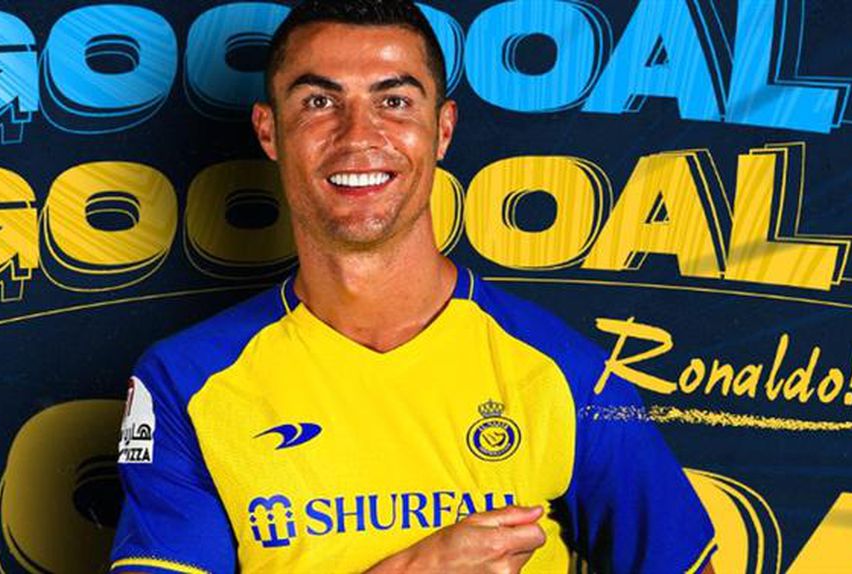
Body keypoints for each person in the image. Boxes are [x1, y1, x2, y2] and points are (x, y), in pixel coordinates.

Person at [110, 1, 716, 572]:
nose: (358, 135)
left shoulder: (566, 372)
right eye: (319, 101)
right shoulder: (186, 381)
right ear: (269, 131)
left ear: (442, 129)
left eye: (394, 101)